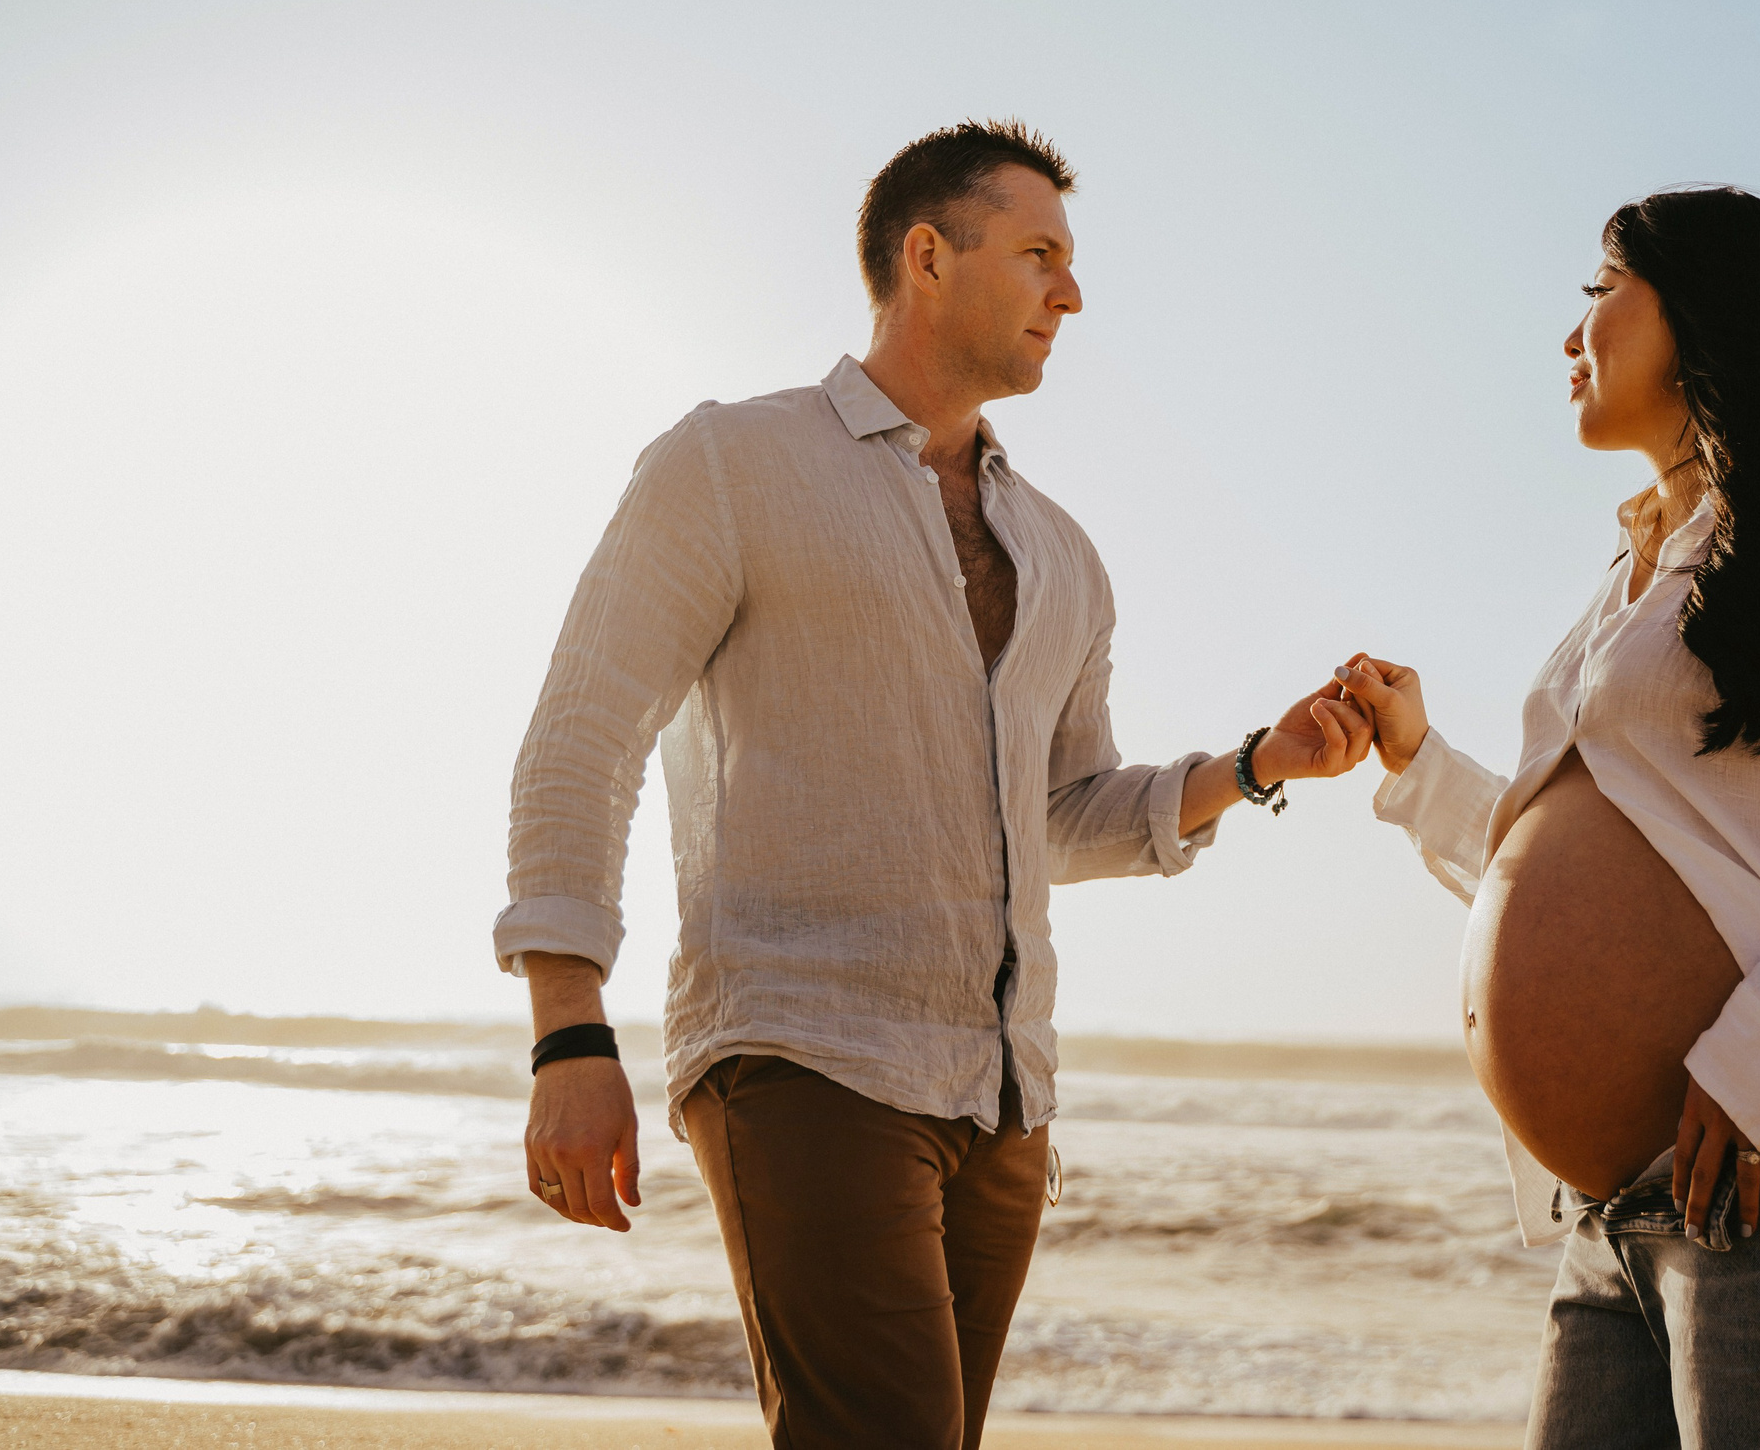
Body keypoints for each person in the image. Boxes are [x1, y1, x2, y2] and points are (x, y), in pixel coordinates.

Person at [492, 119, 1374, 1450]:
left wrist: (1260, 765)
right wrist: (569, 1029)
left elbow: (1061, 812)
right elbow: (583, 731)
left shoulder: (1063, 552)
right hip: (803, 1048)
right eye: (1037, 254)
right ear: (926, 255)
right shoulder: (731, 463)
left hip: (1002, 1094)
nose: (1069, 294)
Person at [1332, 186, 1760, 1448]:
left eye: (1597, 293)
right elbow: (1617, 866)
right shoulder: (1642, 576)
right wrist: (1419, 763)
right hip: (1617, 1215)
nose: (1571, 337)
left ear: (1699, 313)